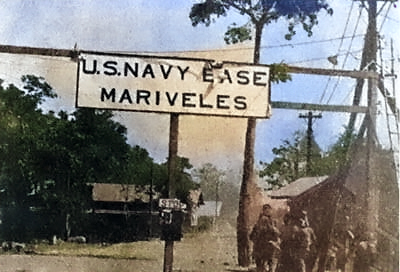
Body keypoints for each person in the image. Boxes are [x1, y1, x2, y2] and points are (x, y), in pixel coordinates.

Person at [250, 204, 281, 272]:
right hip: (265, 246)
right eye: (266, 210)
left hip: (264, 246)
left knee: (262, 265)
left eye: (268, 210)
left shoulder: (267, 221)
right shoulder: (268, 221)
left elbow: (251, 236)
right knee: (268, 264)